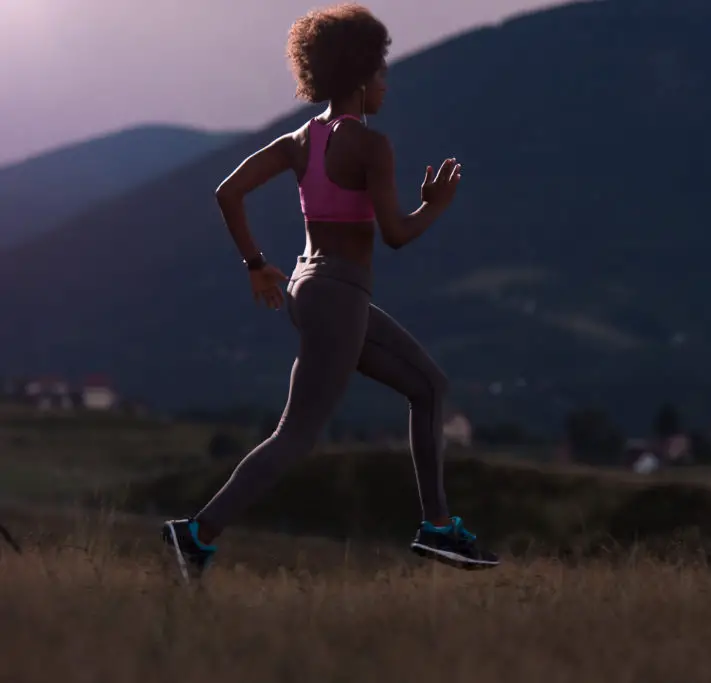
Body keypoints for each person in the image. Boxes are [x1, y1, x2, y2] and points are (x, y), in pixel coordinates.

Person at [161, 3, 499, 582]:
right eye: (384, 72)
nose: (387, 83)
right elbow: (395, 235)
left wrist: (257, 266)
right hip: (339, 296)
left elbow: (227, 192)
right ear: (363, 76)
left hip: (309, 287)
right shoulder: (370, 146)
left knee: (429, 387)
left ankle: (438, 526)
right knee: (296, 435)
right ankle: (195, 534)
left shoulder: (301, 140)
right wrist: (434, 208)